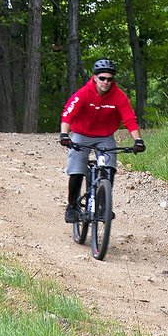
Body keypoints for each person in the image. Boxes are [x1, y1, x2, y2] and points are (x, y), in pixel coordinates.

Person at [59, 59, 145, 223]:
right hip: (81, 134)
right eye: (102, 78)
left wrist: (138, 140)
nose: (106, 82)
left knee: (109, 168)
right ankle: (72, 206)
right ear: (95, 77)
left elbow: (129, 119)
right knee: (77, 169)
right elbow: (67, 114)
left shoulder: (119, 96)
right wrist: (64, 135)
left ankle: (103, 207)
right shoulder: (84, 93)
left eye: (109, 79)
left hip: (105, 137)